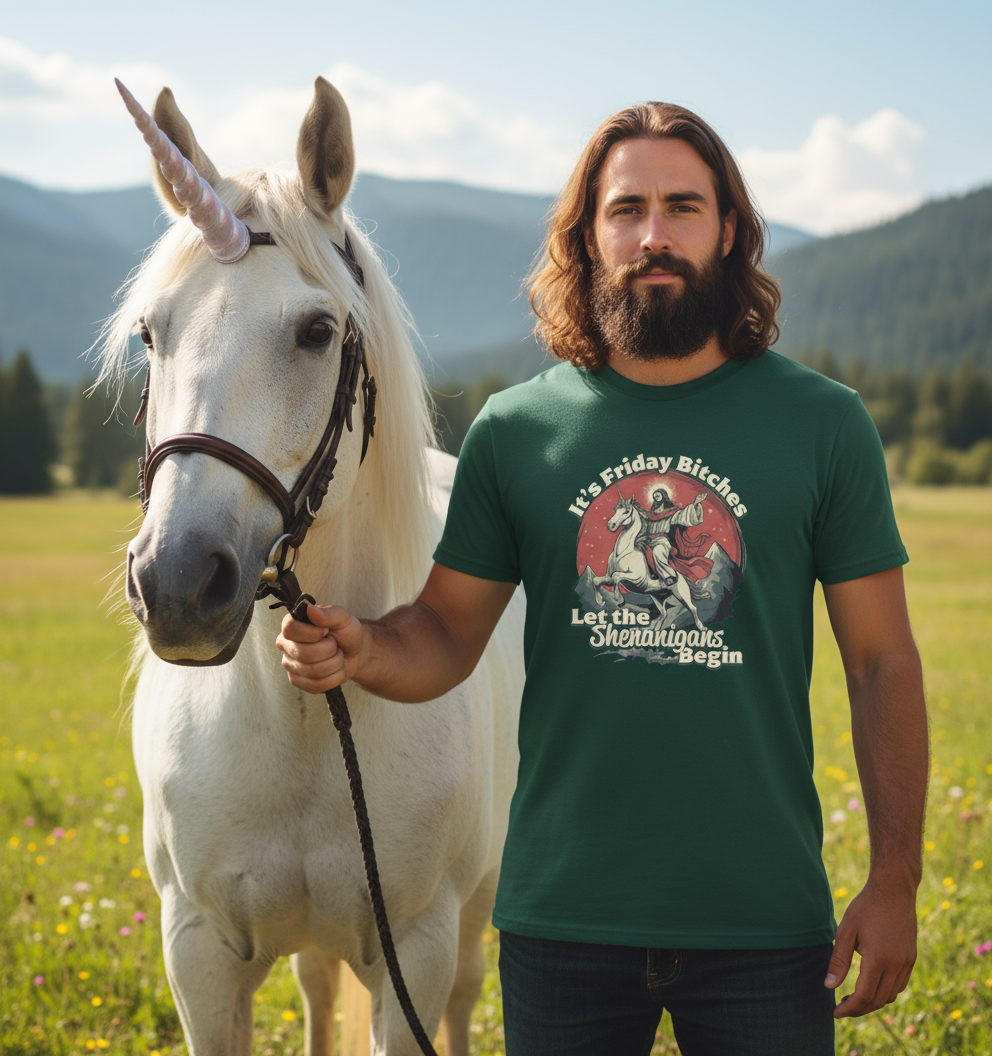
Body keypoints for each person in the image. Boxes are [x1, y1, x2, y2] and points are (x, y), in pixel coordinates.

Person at [277, 102, 928, 1055]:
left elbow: (881, 664)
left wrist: (896, 879)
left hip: (764, 924)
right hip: (563, 926)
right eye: (626, 210)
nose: (653, 235)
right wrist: (366, 646)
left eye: (683, 207)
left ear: (731, 229)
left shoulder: (823, 426)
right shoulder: (517, 430)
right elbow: (448, 632)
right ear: (587, 236)